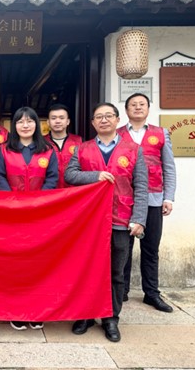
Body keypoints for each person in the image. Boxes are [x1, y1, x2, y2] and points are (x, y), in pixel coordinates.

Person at [65, 102, 148, 343]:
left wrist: (139, 219)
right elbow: (70, 175)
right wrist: (95, 176)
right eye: (99, 117)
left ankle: (111, 318)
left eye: (108, 116)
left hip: (120, 219)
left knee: (116, 272)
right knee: (86, 269)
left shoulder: (133, 150)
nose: (103, 120)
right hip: (88, 221)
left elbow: (141, 186)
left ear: (117, 120)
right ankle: (85, 315)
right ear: (92, 123)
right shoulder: (82, 149)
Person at [0, 106, 59, 331]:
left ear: (37, 125)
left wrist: (37, 202)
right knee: (14, 263)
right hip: (11, 213)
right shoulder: (4, 150)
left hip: (40, 214)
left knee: (39, 263)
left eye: (30, 121)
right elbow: (0, 177)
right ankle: (16, 309)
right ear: (14, 125)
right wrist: (12, 202)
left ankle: (37, 310)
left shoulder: (48, 151)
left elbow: (52, 179)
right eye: (20, 121)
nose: (25, 125)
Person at [118, 93, 177, 312]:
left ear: (148, 109)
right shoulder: (117, 134)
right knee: (122, 248)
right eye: (133, 105)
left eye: (141, 104)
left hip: (153, 198)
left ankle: (151, 293)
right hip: (124, 199)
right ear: (126, 110)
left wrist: (168, 197)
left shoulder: (161, 133)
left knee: (151, 248)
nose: (137, 107)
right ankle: (121, 290)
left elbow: (169, 167)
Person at [45, 104, 83, 188]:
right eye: (53, 118)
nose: (57, 121)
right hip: (49, 191)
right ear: (48, 122)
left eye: (61, 118)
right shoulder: (41, 143)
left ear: (68, 121)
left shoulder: (79, 142)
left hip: (73, 192)